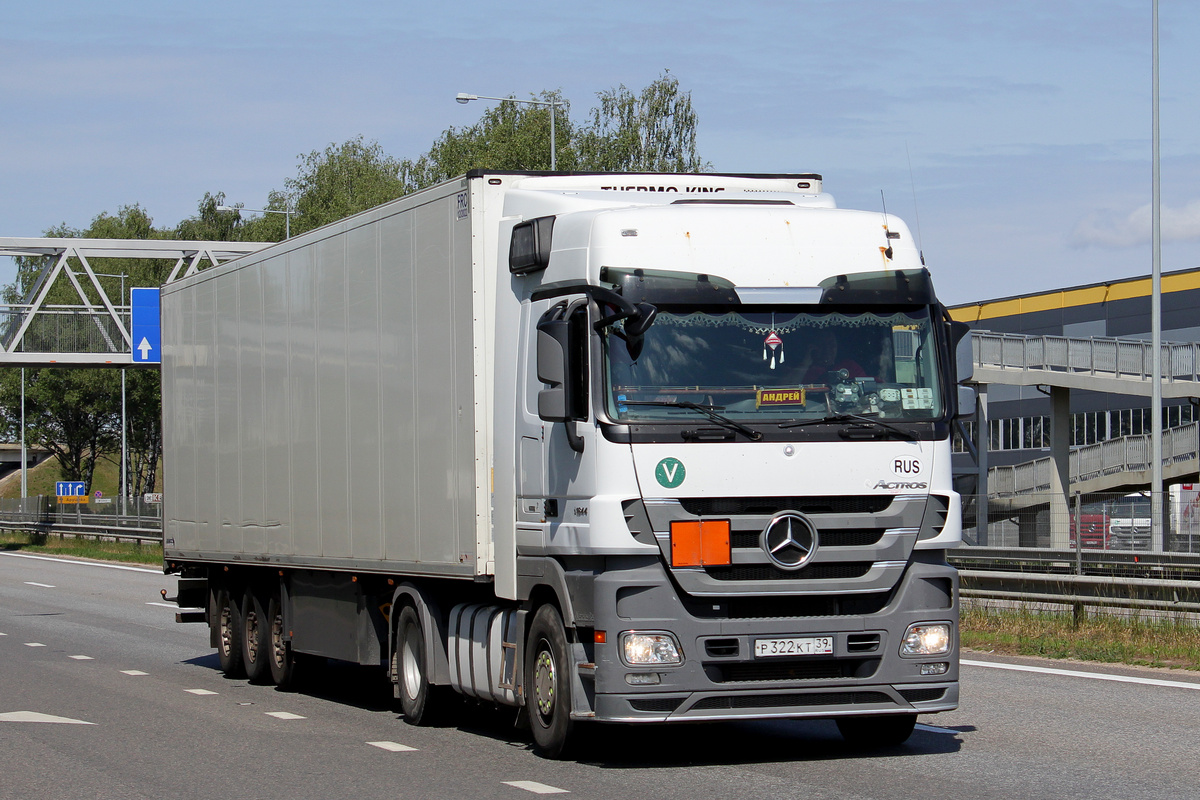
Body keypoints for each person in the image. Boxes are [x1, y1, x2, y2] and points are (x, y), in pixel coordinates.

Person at [798, 328, 865, 383]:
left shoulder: (849, 366)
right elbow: (791, 387)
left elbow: (866, 385)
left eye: (831, 344)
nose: (827, 349)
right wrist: (805, 364)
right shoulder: (803, 370)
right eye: (822, 345)